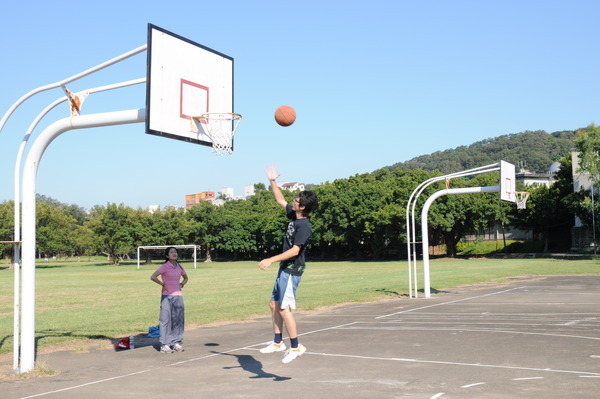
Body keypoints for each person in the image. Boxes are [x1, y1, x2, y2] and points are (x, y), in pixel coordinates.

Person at [258, 165, 318, 364]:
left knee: (284, 309)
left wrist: (270, 259)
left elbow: (295, 251)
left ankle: (296, 346)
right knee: (274, 304)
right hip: (285, 269)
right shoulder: (294, 215)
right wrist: (272, 181)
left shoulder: (305, 226)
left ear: (303, 207)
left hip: (292, 270)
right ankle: (277, 343)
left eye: (297, 200)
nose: (293, 201)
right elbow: (279, 199)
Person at [150, 246, 189, 353]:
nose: (174, 253)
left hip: (178, 296)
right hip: (166, 296)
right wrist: (163, 284)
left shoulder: (179, 267)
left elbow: (186, 278)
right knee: (165, 320)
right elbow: (153, 277)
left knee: (178, 320)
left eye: (175, 252)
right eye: (171, 252)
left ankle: (176, 342)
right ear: (167, 256)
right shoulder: (164, 266)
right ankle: (165, 344)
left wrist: (182, 284)